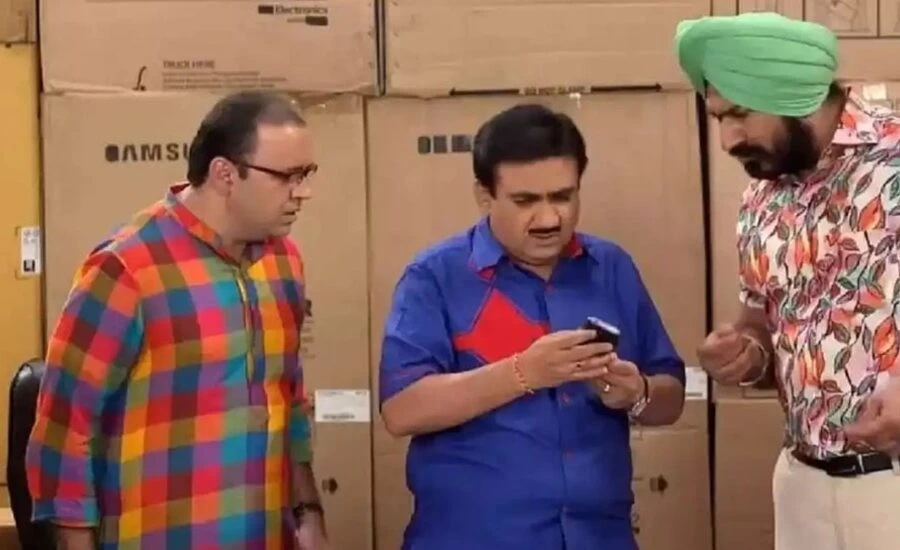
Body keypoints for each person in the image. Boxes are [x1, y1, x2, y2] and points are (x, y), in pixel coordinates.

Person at [26, 91, 328, 550]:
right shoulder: (126, 270)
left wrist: (309, 513)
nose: (303, 192)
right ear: (225, 174)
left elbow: (288, 400)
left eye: (306, 174)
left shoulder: (283, 262)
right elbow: (64, 434)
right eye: (287, 176)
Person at [377, 103, 687, 550]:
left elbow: (671, 397)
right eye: (525, 202)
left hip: (600, 537)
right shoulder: (434, 278)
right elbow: (402, 410)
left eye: (563, 197)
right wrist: (524, 372)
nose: (548, 219)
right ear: (484, 195)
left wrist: (636, 392)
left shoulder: (611, 267)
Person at [675, 12, 900, 550]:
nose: (727, 139)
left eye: (740, 114)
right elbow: (761, 325)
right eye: (718, 118)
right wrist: (744, 352)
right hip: (801, 486)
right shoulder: (760, 199)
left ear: (794, 93)